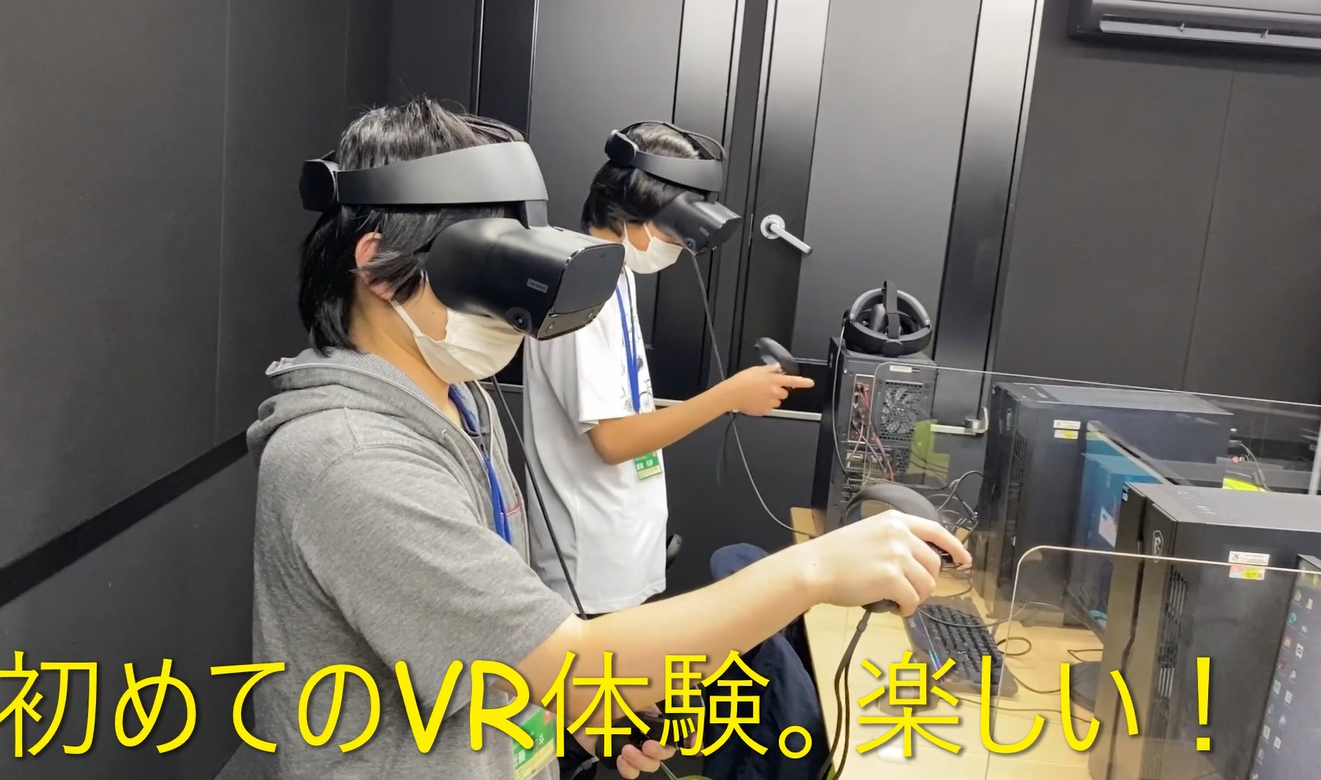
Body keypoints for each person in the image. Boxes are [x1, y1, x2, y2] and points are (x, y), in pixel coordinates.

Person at [248, 99, 970, 780]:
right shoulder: (355, 458)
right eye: (486, 267)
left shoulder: (457, 398)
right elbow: (578, 664)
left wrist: (573, 713)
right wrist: (812, 570)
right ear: (378, 267)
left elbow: (487, 646)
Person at [522, 121, 811, 618]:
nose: (681, 245)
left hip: (621, 542)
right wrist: (728, 396)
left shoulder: (616, 276)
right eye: (674, 227)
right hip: (588, 565)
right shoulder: (579, 290)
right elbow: (613, 441)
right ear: (629, 210)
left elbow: (623, 407)